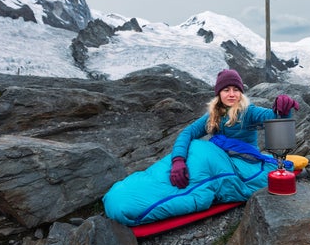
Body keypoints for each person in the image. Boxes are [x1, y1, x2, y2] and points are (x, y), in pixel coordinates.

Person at [103, 69, 299, 226]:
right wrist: (178, 160)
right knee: (195, 149)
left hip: (240, 164)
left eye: (235, 89)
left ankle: (132, 203)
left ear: (241, 92)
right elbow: (187, 133)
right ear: (219, 94)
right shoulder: (214, 115)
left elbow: (272, 118)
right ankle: (127, 191)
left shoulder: (248, 111)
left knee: (199, 170)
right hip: (211, 156)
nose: (231, 94)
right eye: (226, 90)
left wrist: (282, 110)